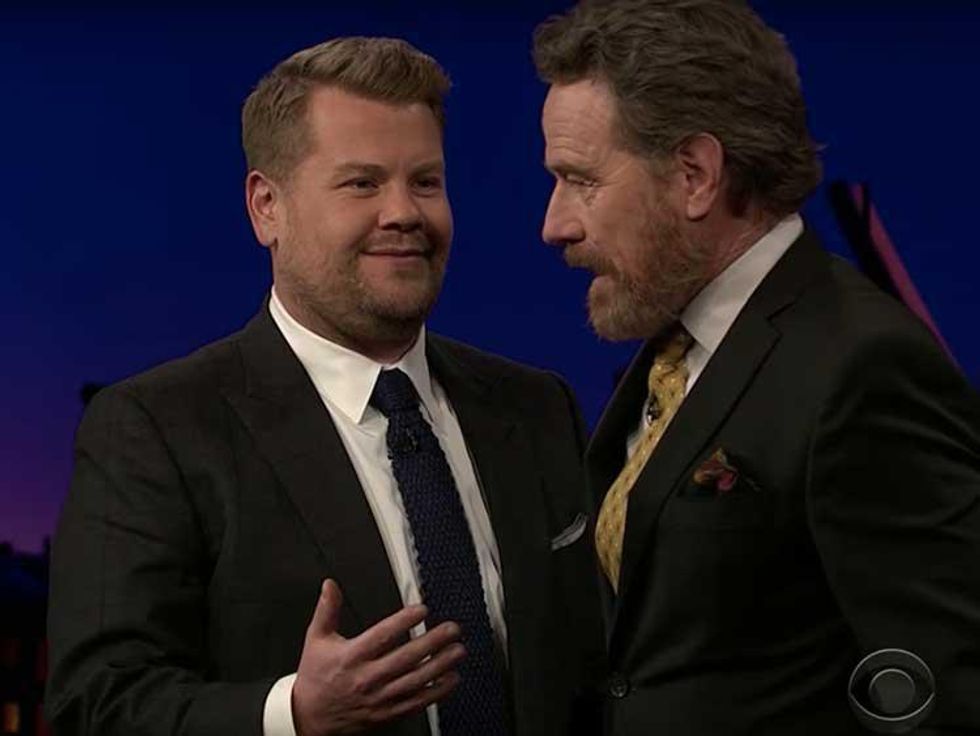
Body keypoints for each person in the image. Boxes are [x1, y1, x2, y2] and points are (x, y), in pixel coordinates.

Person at [46, 37, 602, 736]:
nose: (403, 212)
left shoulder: (537, 406)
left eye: (425, 182)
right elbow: (97, 704)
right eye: (362, 183)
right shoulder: (155, 430)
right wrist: (295, 713)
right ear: (266, 207)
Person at [533, 1, 980, 734]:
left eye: (580, 179)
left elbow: (950, 691)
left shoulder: (863, 365)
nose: (556, 224)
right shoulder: (676, 347)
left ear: (695, 175)